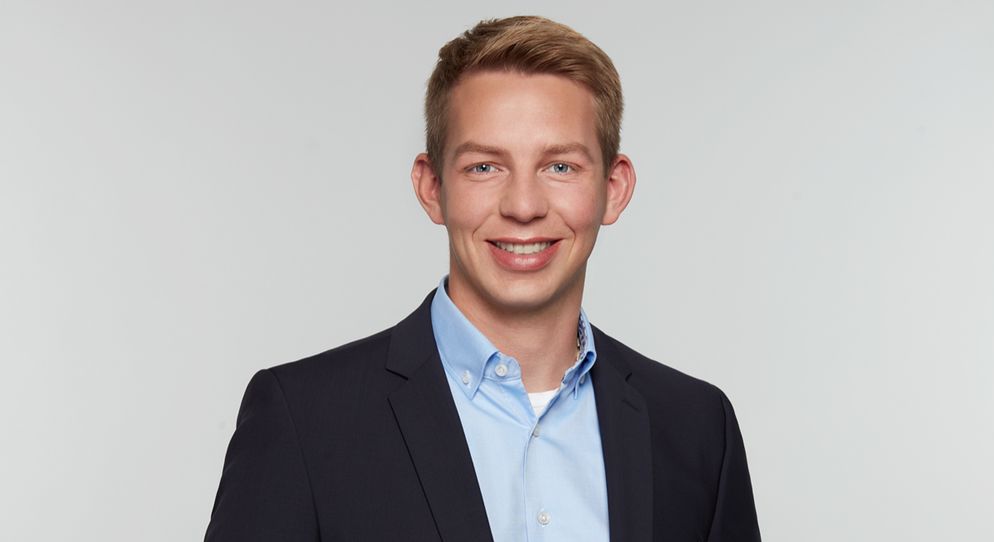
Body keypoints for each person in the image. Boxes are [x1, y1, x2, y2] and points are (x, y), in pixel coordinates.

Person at [205, 15, 760, 542]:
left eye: (560, 166)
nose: (523, 206)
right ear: (432, 188)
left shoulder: (696, 427)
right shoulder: (305, 421)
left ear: (613, 189)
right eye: (484, 167)